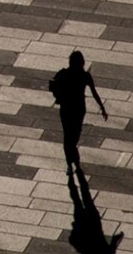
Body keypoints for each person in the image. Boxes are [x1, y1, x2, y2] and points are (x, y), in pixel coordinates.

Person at [51, 51, 108, 186]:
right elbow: (94, 93)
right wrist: (102, 108)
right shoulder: (85, 76)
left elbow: (53, 85)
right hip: (78, 110)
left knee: (68, 137)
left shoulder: (65, 73)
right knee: (73, 137)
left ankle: (71, 162)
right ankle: (72, 162)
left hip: (66, 109)